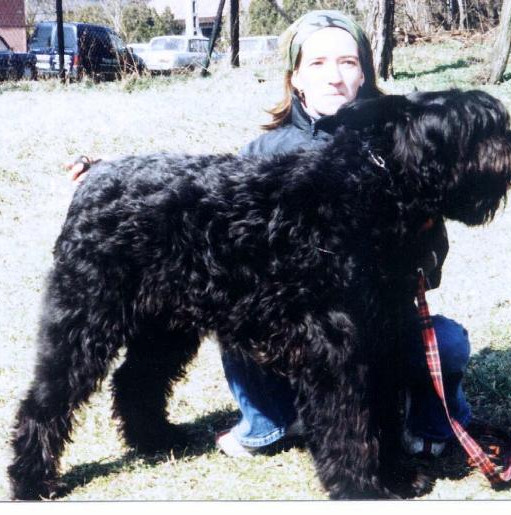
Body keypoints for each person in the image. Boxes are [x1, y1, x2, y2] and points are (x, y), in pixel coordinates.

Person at [67, 10, 471, 461]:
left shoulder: (405, 150)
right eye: (317, 64)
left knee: (441, 343)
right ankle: (269, 422)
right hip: (292, 323)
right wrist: (113, 175)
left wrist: (419, 231)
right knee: (205, 317)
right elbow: (201, 191)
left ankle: (416, 421)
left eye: (348, 62)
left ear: (364, 74)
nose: (334, 77)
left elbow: (428, 272)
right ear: (295, 77)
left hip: (365, 315)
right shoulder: (266, 152)